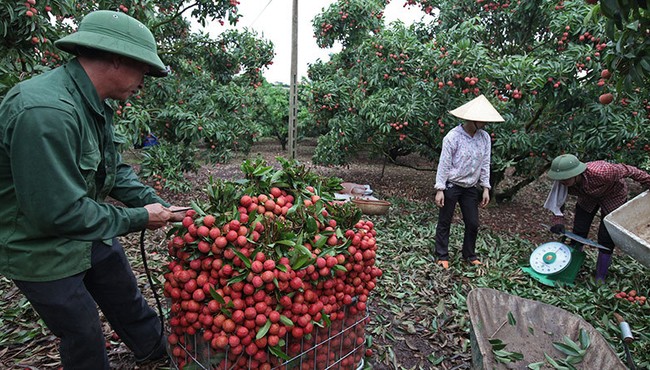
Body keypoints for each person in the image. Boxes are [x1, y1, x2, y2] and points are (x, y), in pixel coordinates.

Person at [0, 10, 185, 369]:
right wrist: (138, 218)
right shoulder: (46, 111)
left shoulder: (94, 105)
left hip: (87, 233)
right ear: (117, 60)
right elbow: (58, 213)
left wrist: (160, 206)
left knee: (125, 297)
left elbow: (112, 171)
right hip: (40, 247)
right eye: (142, 71)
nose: (143, 83)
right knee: (82, 332)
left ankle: (156, 352)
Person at [543, 154, 650, 282]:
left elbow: (629, 170)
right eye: (560, 179)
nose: (562, 181)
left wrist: (647, 181)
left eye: (566, 178)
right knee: (579, 231)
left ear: (577, 173)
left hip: (613, 195)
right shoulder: (562, 182)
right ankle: (570, 267)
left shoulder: (603, 172)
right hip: (587, 197)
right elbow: (558, 201)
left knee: (606, 238)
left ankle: (600, 278)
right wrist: (558, 221)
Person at [433, 95, 504, 269]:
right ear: (472, 119)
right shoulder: (453, 137)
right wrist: (440, 188)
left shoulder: (484, 137)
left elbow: (486, 162)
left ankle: (469, 254)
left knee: (473, 222)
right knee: (445, 220)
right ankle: (441, 254)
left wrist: (486, 187)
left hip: (470, 186)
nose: (485, 124)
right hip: (452, 184)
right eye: (482, 120)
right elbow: (444, 163)